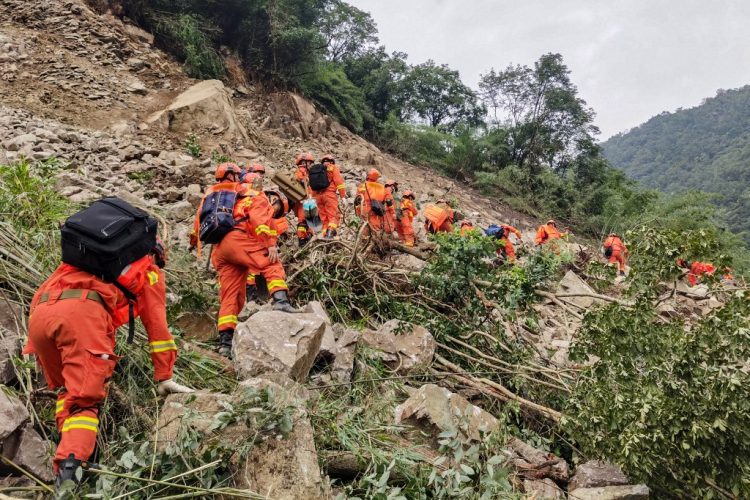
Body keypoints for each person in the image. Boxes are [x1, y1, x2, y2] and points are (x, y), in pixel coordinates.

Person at [25, 237, 193, 487]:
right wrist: (164, 375)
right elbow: (157, 328)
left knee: (67, 391)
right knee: (85, 401)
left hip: (40, 313)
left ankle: (70, 446)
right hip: (80, 316)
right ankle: (71, 474)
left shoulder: (87, 259)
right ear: (156, 255)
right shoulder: (149, 270)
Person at [191, 163, 295, 358]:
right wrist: (269, 244)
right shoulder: (250, 193)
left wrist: (192, 243)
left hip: (219, 249)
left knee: (231, 295)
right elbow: (259, 222)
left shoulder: (210, 196)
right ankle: (281, 301)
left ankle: (225, 342)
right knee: (271, 263)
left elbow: (197, 227)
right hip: (238, 239)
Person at [309, 154, 346, 238]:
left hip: (317, 197)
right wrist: (343, 196)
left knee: (324, 218)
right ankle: (330, 234)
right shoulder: (332, 168)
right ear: (332, 162)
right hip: (329, 195)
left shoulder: (317, 170)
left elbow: (312, 186)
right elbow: (338, 182)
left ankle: (324, 234)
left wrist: (312, 197)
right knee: (333, 215)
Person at [355, 168, 394, 235]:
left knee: (365, 226)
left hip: (365, 209)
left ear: (368, 176)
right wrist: (393, 212)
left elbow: (357, 201)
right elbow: (389, 202)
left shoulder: (362, 186)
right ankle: (374, 241)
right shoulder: (383, 188)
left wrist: (358, 213)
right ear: (377, 178)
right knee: (375, 227)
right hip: (377, 210)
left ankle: (364, 241)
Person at [293, 152, 315, 246]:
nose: (310, 164)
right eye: (309, 162)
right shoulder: (301, 171)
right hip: (303, 200)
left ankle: (308, 235)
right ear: (304, 162)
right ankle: (302, 239)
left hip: (307, 199)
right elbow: (299, 180)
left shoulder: (306, 172)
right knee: (303, 220)